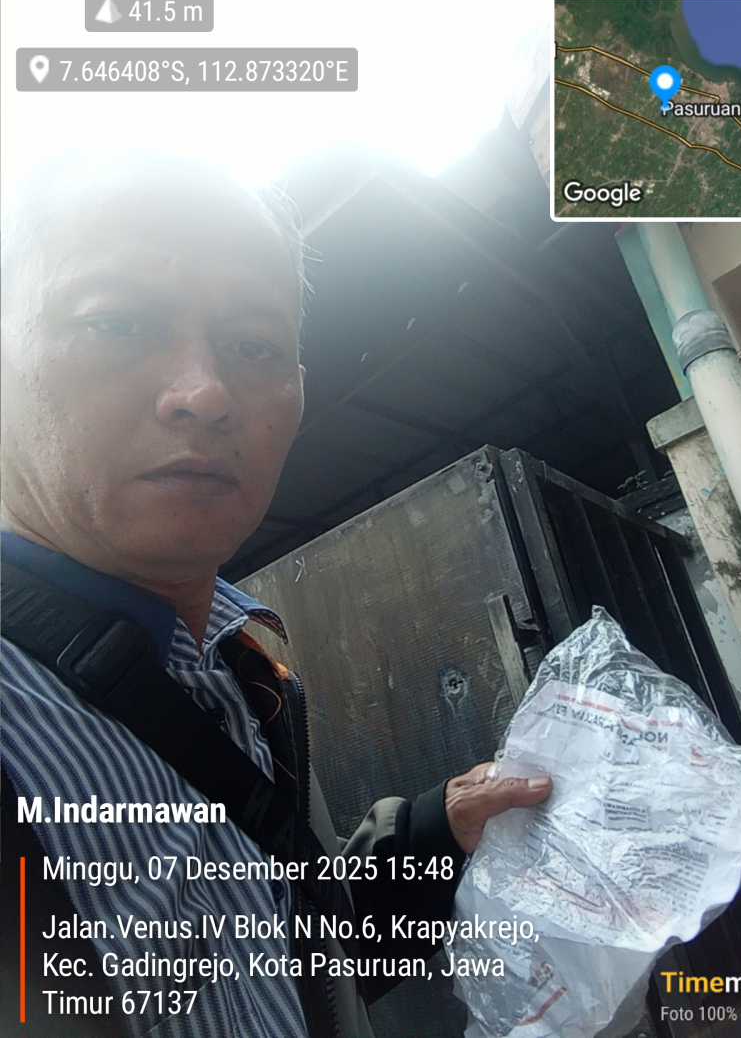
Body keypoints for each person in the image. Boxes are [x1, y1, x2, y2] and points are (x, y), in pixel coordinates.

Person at [0, 150, 553, 1038]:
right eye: (117, 322)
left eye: (256, 346)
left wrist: (432, 835)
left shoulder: (248, 666)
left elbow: (272, 955)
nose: (206, 394)